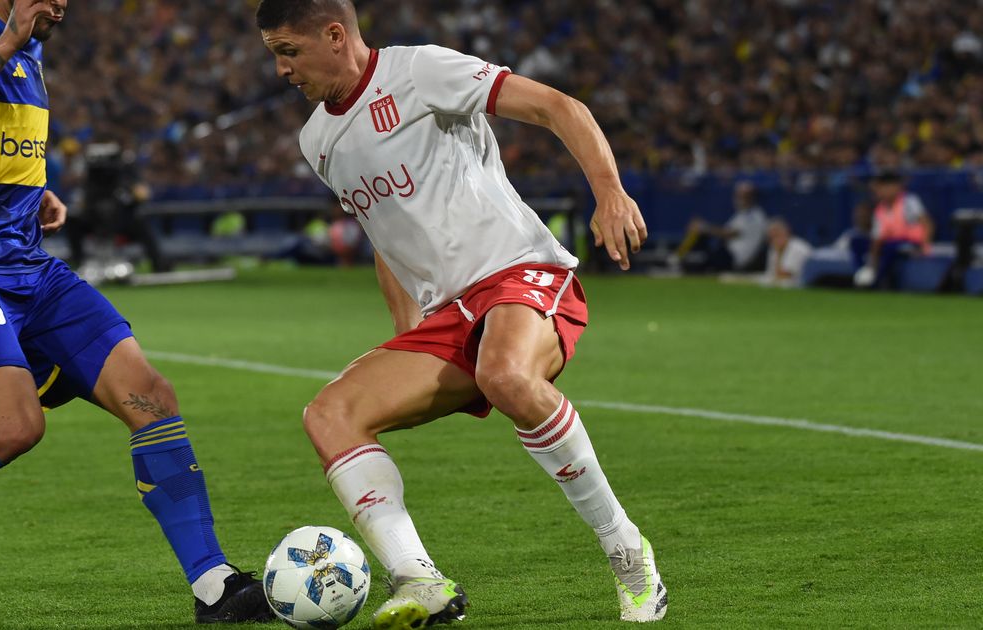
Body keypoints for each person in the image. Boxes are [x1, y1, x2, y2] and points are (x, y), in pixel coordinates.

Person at [0, 2, 273, 628]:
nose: (63, 3)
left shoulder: (30, 52)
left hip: (29, 264)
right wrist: (8, 40)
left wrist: (30, 190)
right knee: (15, 427)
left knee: (150, 394)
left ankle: (214, 586)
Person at [256, 1, 667, 626]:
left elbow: (561, 107)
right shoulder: (317, 139)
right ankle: (419, 580)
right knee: (329, 415)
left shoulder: (420, 71)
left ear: (335, 36)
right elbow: (382, 235)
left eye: (288, 51)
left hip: (520, 272)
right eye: (274, 55)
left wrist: (609, 191)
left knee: (505, 376)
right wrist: (407, 330)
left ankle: (624, 547)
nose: (282, 69)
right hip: (449, 314)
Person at [854, 171, 933, 288]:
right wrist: (872, 263)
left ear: (895, 187)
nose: (879, 192)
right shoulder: (880, 208)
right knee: (856, 242)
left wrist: (925, 246)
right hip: (890, 243)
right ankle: (865, 273)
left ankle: (877, 280)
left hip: (911, 243)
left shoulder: (909, 201)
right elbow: (877, 237)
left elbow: (928, 224)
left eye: (882, 188)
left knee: (890, 248)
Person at [672, 181, 768, 272]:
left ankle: (676, 259)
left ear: (752, 198)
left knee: (701, 233)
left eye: (743, 196)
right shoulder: (742, 214)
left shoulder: (755, 216)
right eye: (738, 195)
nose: (738, 199)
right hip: (727, 254)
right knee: (700, 235)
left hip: (735, 258)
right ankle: (678, 258)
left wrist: (704, 227)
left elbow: (729, 233)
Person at [760, 218, 812, 288]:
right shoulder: (774, 248)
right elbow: (771, 274)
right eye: (771, 238)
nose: (774, 240)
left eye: (777, 235)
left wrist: (779, 253)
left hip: (805, 286)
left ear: (786, 233)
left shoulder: (798, 248)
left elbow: (784, 275)